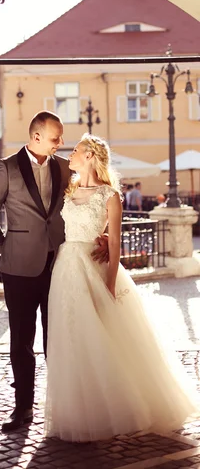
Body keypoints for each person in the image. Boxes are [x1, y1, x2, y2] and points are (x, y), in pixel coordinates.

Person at [44, 134, 197, 442]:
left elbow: (114, 241)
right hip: (66, 266)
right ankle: (78, 408)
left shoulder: (110, 195)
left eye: (75, 150)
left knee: (105, 333)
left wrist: (110, 283)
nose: (70, 154)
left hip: (94, 266)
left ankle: (125, 403)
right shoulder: (68, 190)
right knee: (71, 334)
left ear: (89, 156)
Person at [0, 112, 108, 432]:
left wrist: (100, 234)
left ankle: (63, 405)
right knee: (22, 340)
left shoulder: (64, 168)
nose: (61, 144)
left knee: (58, 338)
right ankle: (23, 407)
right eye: (55, 138)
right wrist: (3, 247)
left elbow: (85, 203)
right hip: (18, 269)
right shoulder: (6, 168)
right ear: (36, 136)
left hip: (58, 266)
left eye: (62, 138)